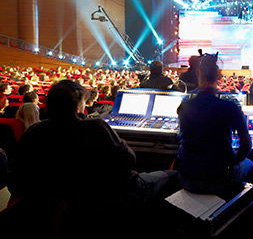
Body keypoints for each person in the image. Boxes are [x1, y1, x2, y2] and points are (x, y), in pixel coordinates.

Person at [8, 80, 178, 217]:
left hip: (62, 199)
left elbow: (17, 177)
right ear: (77, 108)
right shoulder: (95, 127)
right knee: (172, 175)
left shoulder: (34, 131)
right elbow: (129, 160)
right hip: (108, 194)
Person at [176, 54, 253, 196]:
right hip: (218, 179)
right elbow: (247, 146)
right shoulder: (231, 103)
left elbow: (180, 136)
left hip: (186, 177)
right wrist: (231, 161)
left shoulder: (185, 102)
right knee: (250, 163)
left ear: (198, 72)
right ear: (218, 75)